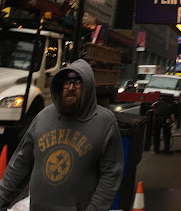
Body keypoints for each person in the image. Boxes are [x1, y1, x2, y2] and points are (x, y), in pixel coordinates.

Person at [0, 59, 123, 211]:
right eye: (66, 82)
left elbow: (111, 175)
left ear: (88, 87)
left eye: (77, 82)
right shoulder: (43, 118)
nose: (70, 87)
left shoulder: (105, 122)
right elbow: (19, 165)